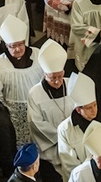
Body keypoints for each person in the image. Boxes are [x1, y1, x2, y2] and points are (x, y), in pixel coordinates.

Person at [57, 72, 101, 180]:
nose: (94, 110)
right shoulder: (65, 129)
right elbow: (69, 163)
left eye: (95, 105)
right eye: (89, 107)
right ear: (78, 110)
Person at [0, 15, 42, 146]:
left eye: (20, 44)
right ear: (6, 46)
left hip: (38, 111)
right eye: (13, 46)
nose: (18, 49)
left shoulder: (37, 55)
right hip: (14, 115)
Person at [27, 40, 73, 182]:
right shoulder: (35, 93)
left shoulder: (71, 84)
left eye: (60, 76)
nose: (58, 81)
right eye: (53, 78)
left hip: (72, 144)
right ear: (45, 75)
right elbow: (36, 123)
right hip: (50, 147)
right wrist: (62, 136)